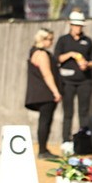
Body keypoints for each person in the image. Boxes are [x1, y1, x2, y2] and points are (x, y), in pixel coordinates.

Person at [53, 10, 92, 147]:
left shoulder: (87, 41)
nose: (78, 28)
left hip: (84, 81)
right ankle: (66, 140)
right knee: (68, 112)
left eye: (80, 25)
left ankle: (83, 140)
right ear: (70, 25)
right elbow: (57, 58)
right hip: (67, 82)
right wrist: (71, 54)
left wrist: (87, 65)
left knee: (83, 111)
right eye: (76, 25)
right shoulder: (63, 40)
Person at [24, 28, 62, 160]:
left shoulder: (34, 52)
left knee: (44, 121)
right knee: (45, 121)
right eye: (49, 39)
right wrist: (56, 92)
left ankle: (43, 149)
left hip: (41, 93)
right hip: (45, 94)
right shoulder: (41, 54)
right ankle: (43, 150)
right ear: (42, 39)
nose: (51, 42)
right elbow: (47, 74)